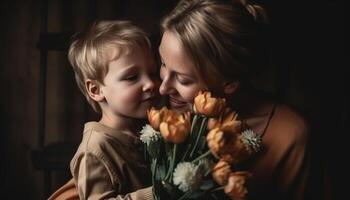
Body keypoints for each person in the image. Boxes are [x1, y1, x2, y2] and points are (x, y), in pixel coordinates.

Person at [157, 0, 310, 199]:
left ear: (229, 82)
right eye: (162, 63)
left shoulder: (290, 135)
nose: (162, 88)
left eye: (183, 79)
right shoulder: (158, 107)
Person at [49, 20, 158, 200]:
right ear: (96, 90)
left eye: (152, 73)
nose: (150, 84)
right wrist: (157, 194)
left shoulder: (150, 129)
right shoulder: (94, 149)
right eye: (132, 77)